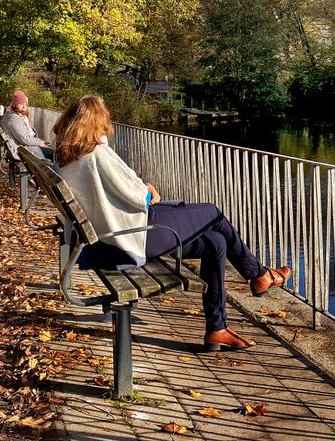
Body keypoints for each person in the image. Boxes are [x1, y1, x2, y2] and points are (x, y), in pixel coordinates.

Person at [53, 95, 292, 352]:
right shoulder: (96, 153)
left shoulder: (66, 155)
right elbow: (137, 196)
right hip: (130, 236)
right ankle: (259, 274)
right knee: (212, 212)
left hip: (106, 239)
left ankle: (217, 328)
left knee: (215, 242)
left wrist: (141, 190)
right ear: (96, 121)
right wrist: (148, 191)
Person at [0, 90, 53, 159]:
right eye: (21, 103)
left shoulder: (11, 115)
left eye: (25, 104)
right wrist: (39, 142)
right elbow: (24, 139)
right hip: (21, 151)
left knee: (52, 151)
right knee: (54, 154)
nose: (24, 106)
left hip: (20, 149)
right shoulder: (14, 118)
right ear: (14, 104)